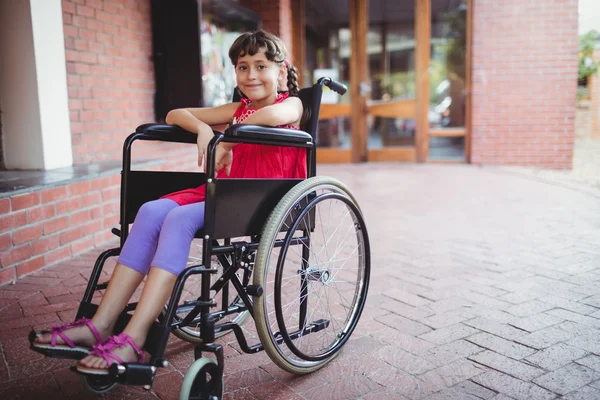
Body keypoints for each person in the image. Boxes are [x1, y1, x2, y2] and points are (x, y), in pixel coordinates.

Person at [32, 30, 305, 375]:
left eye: (261, 66)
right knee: (151, 210)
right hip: (222, 194)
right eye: (242, 66)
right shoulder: (239, 109)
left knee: (177, 220)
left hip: (260, 200)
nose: (250, 75)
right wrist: (205, 131)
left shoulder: (290, 105)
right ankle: (99, 325)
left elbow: (273, 119)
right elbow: (176, 114)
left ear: (281, 72)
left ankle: (135, 338)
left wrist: (230, 139)